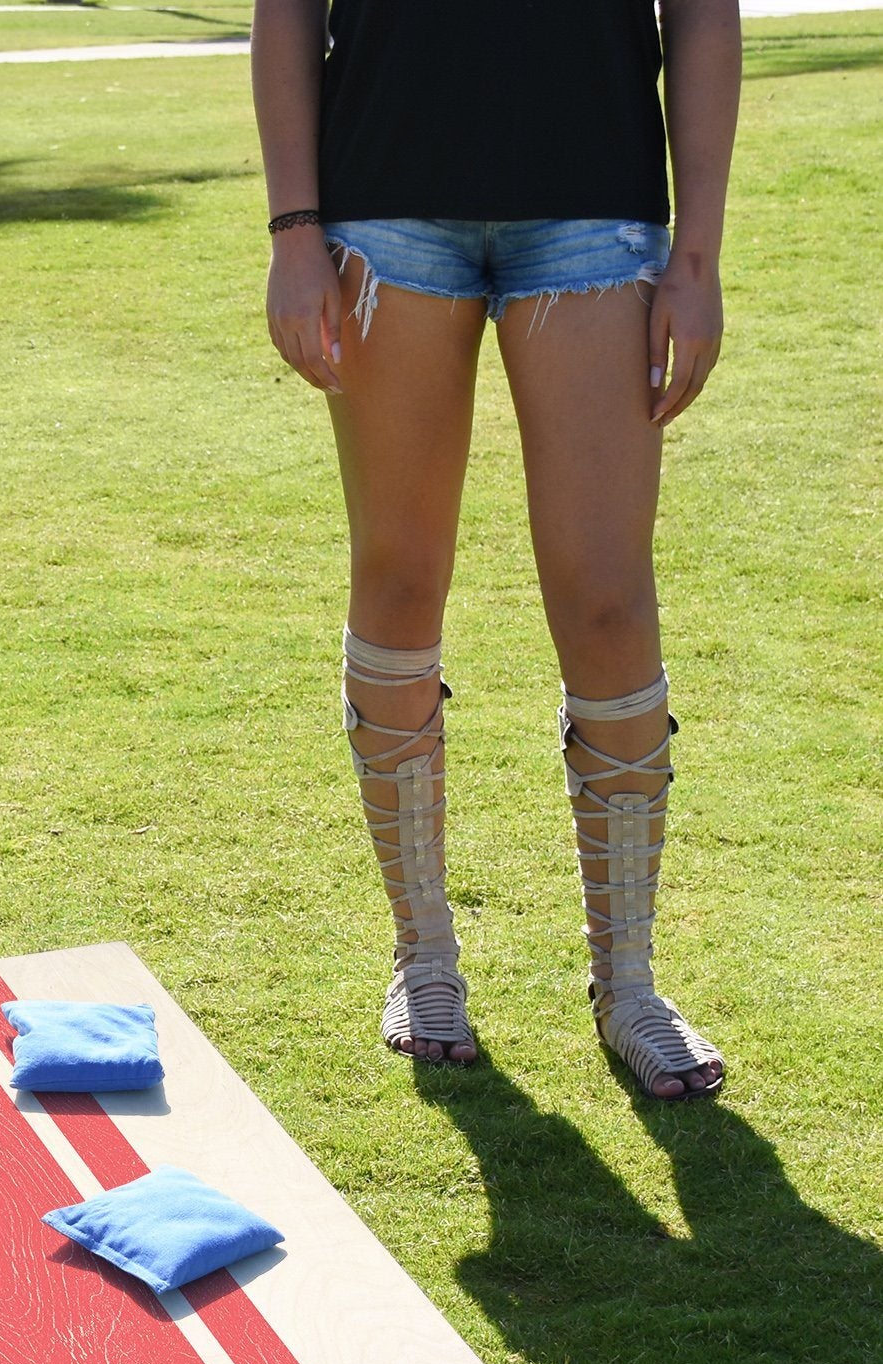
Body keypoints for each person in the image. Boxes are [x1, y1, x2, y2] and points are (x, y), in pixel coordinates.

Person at [251, 0, 740, 1098]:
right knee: (399, 572)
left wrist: (697, 257)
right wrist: (292, 230)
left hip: (596, 210)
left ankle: (630, 986)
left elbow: (703, 14)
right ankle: (425, 961)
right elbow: (287, 11)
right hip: (381, 211)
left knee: (607, 596)